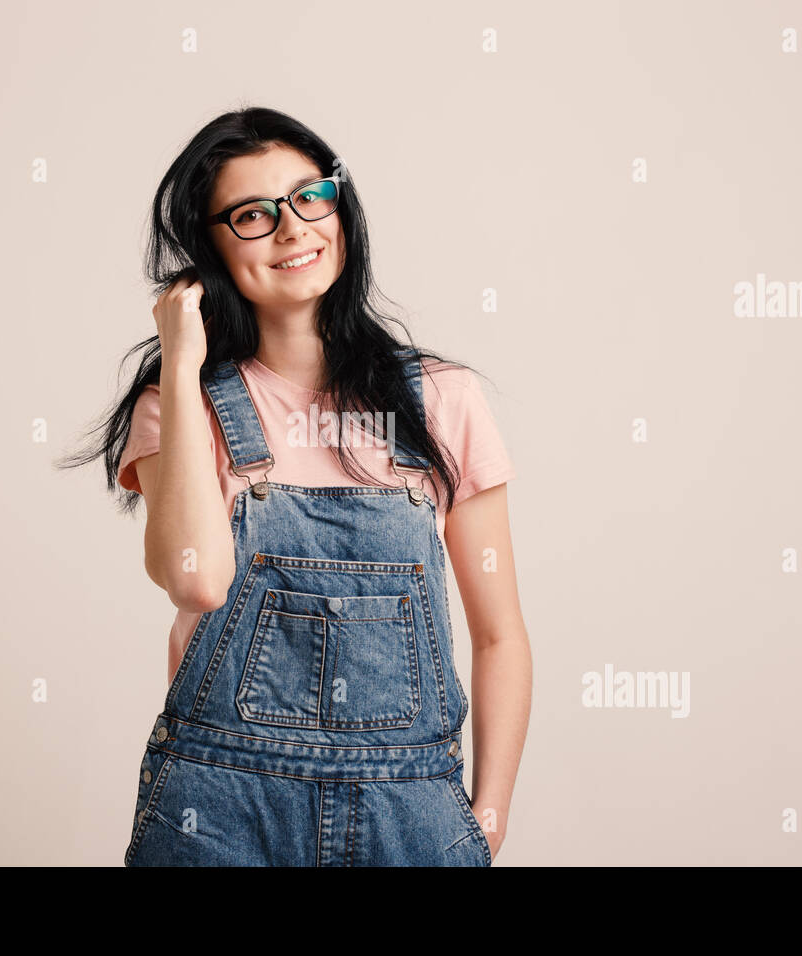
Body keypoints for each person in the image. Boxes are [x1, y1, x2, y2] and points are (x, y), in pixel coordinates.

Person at [63, 107, 531, 866]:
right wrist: (182, 365)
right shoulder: (182, 409)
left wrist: (489, 815)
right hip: (219, 812)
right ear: (207, 247)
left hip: (409, 811)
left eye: (310, 196)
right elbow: (200, 581)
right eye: (253, 214)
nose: (292, 229)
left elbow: (500, 632)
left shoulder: (443, 402)